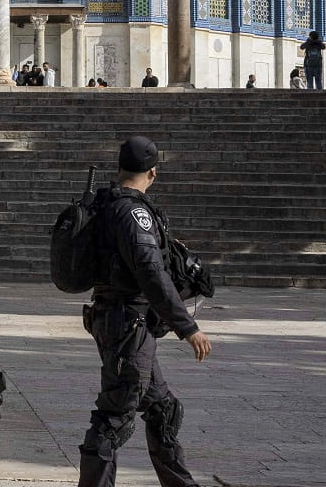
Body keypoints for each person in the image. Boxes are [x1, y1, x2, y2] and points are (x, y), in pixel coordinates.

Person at [77, 136, 213, 487]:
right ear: (153, 172)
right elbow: (151, 272)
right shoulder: (133, 212)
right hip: (128, 326)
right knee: (113, 419)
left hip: (127, 324)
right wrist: (187, 326)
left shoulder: (106, 204)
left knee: (162, 410)